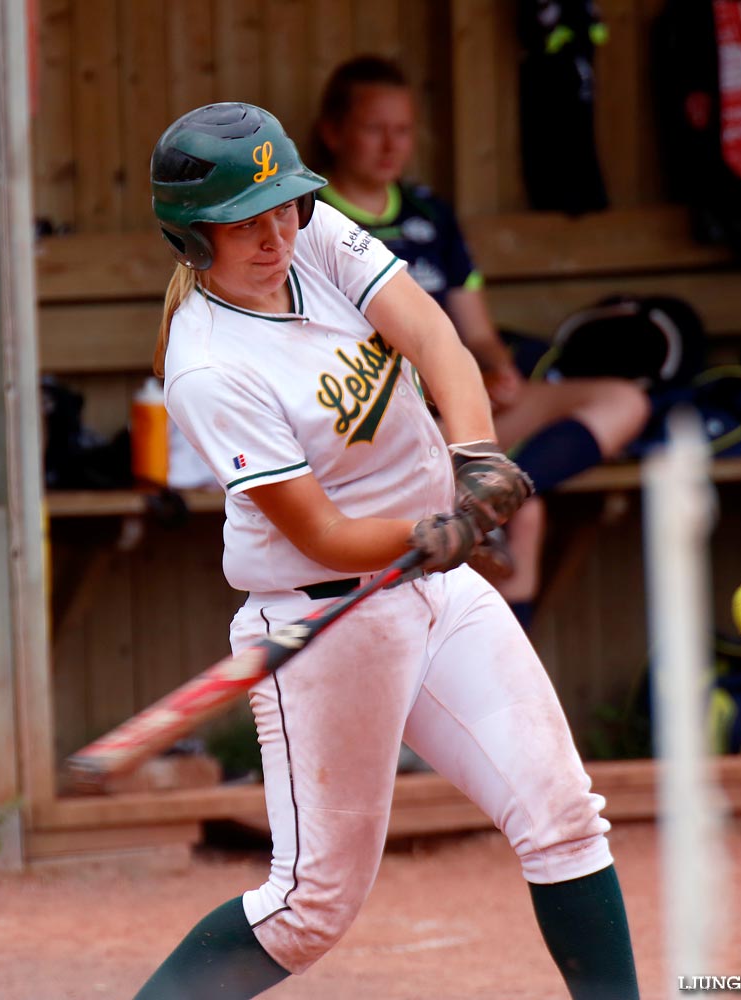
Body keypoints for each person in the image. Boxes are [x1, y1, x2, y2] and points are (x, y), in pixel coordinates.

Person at [134, 101, 638, 999]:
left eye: (281, 207)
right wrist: (425, 530)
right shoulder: (209, 366)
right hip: (327, 620)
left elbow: (434, 334)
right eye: (241, 224)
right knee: (309, 907)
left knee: (565, 822)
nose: (272, 233)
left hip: (437, 594)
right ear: (189, 239)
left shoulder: (312, 228)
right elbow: (320, 532)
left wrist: (474, 456)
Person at [309, 56, 650, 631]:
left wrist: (495, 368)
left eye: (404, 129)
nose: (392, 144)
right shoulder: (311, 221)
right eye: (375, 128)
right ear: (333, 132)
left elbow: (479, 334)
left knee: (626, 402)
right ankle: (498, 502)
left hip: (465, 409)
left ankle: (493, 495)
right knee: (532, 519)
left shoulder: (430, 215)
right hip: (385, 422)